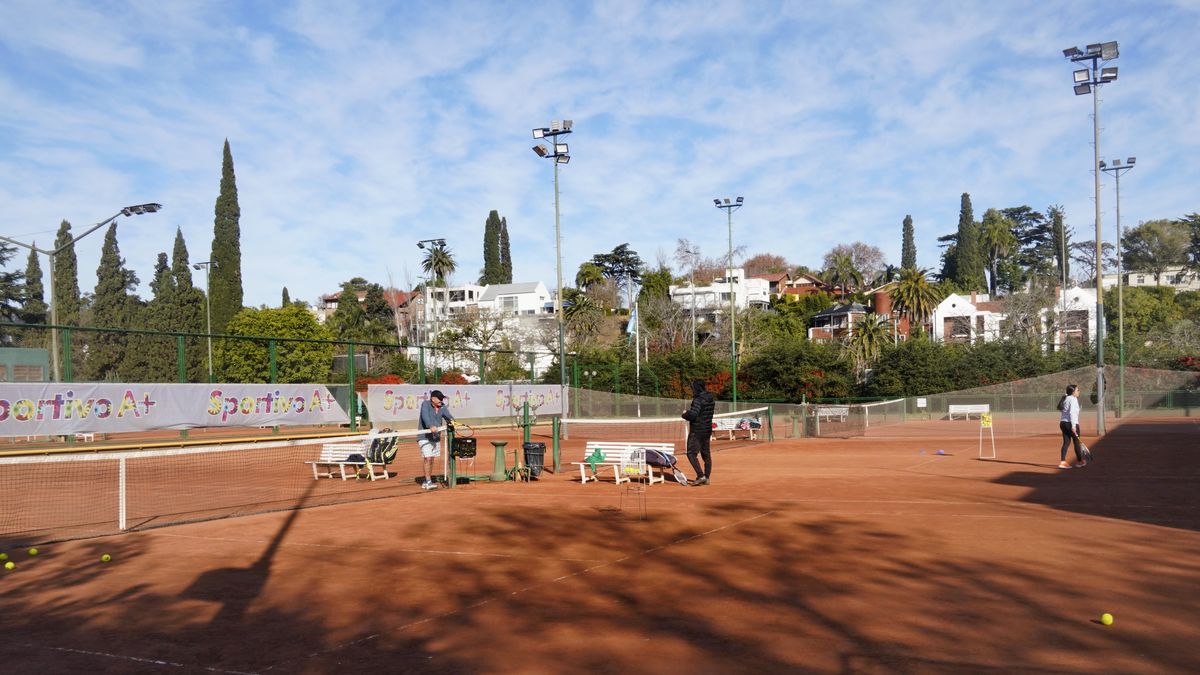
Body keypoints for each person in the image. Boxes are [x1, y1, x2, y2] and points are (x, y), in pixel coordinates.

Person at [417, 390, 455, 490]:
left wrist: (452, 421)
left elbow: (448, 416)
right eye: (439, 398)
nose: (441, 400)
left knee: (432, 458)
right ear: (433, 398)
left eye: (442, 398)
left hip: (435, 437)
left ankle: (427, 480)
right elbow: (425, 417)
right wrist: (431, 426)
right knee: (428, 458)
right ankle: (428, 481)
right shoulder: (425, 404)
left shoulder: (442, 406)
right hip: (424, 436)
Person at [682, 379, 715, 485]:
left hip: (697, 431)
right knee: (706, 454)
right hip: (707, 430)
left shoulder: (697, 400)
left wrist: (685, 414)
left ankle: (700, 476)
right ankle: (707, 477)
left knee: (691, 453)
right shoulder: (711, 399)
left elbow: (694, 415)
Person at [1056, 384, 1086, 469]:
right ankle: (1080, 461)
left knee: (1066, 442)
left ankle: (1063, 462)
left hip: (1063, 423)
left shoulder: (1066, 398)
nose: (1079, 391)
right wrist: (1073, 426)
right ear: (1073, 392)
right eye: (1077, 390)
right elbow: (1072, 413)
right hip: (1071, 424)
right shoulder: (1073, 399)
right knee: (1076, 443)